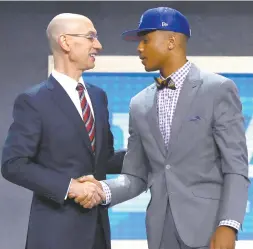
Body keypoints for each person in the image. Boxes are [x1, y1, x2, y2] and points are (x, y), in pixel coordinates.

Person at [78, 7, 250, 249]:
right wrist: (102, 189)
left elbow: (236, 167)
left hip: (209, 229)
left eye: (145, 40)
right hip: (160, 232)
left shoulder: (218, 89)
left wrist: (228, 224)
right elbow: (135, 175)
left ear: (171, 41)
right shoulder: (139, 104)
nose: (139, 48)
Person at [1, 13, 125, 249]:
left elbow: (105, 160)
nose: (98, 45)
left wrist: (151, 150)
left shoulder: (98, 97)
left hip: (98, 232)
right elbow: (14, 164)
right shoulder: (34, 101)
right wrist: (71, 187)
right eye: (91, 37)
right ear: (65, 42)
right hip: (54, 235)